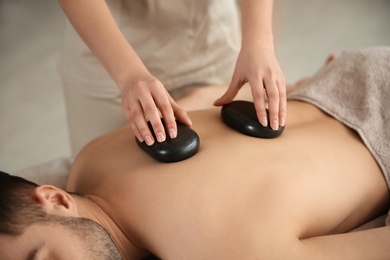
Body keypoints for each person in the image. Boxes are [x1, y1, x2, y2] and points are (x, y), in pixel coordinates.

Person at [1, 47, 389, 259]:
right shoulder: (91, 160)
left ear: (53, 196)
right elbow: (200, 103)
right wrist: (294, 89)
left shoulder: (212, 251)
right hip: (355, 71)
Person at [57, 0, 286, 154]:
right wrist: (128, 75)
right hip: (109, 51)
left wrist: (259, 42)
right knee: (103, 175)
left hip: (208, 38)